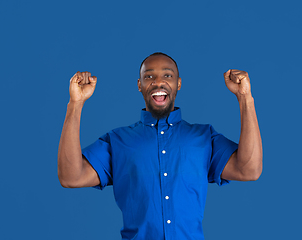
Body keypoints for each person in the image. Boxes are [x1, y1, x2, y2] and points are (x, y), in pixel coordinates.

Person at [58, 52, 263, 240]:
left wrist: (245, 98)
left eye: (167, 76)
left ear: (178, 83)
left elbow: (249, 170)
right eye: (149, 77)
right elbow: (70, 177)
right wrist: (75, 103)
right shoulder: (118, 141)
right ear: (139, 85)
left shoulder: (203, 137)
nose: (158, 82)